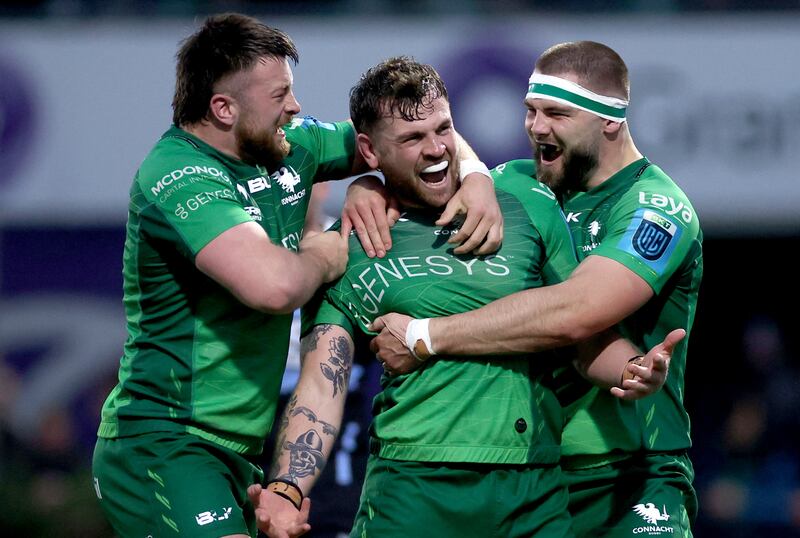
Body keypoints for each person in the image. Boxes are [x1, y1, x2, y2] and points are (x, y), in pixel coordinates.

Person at [91, 14, 501, 538]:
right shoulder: (178, 176)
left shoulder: (284, 145)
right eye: (280, 94)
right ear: (223, 109)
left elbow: (404, 134)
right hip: (165, 439)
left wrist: (471, 177)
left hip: (240, 450)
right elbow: (275, 286)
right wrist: (329, 251)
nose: (296, 107)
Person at [250, 56, 682, 537]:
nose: (436, 150)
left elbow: (581, 333)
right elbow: (320, 386)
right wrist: (287, 489)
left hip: (530, 492)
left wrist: (630, 369)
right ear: (369, 151)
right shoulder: (349, 245)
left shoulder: (527, 204)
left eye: (443, 130)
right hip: (410, 490)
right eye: (412, 139)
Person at [370, 41, 703, 537]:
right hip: (531, 476)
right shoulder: (518, 183)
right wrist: (369, 188)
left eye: (556, 114)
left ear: (609, 120)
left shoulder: (656, 208)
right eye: (530, 110)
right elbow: (415, 157)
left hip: (631, 472)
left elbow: (577, 312)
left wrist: (426, 335)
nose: (535, 127)